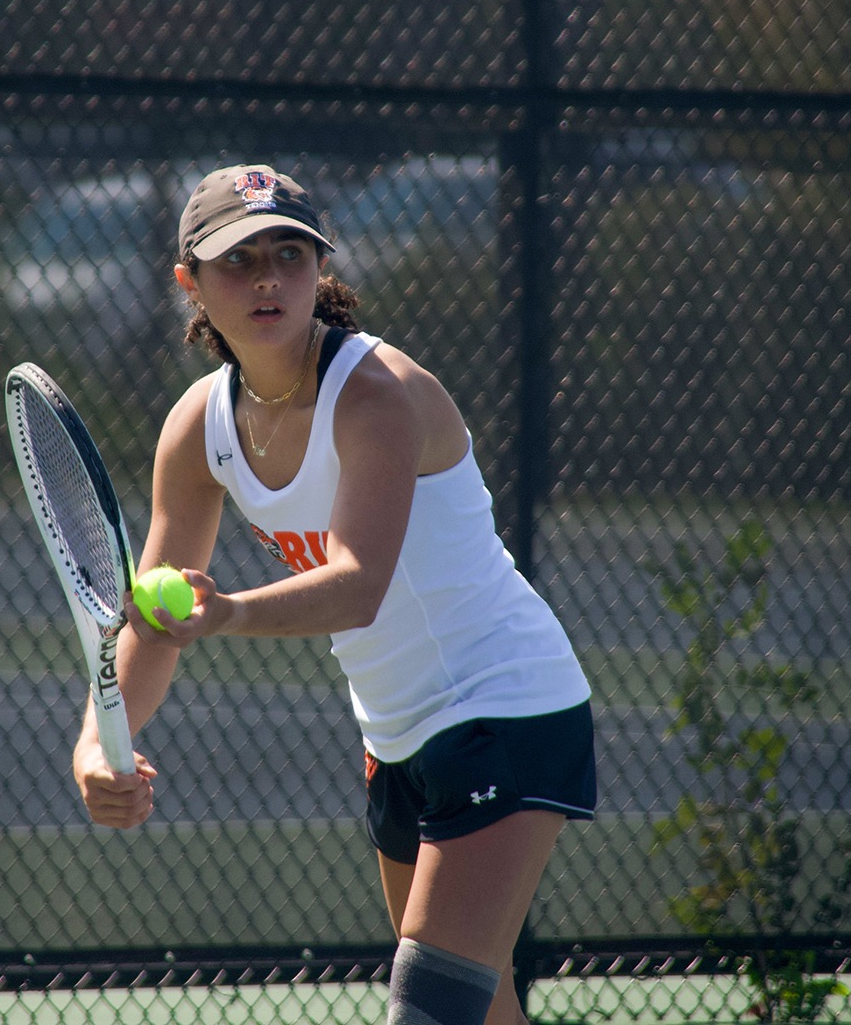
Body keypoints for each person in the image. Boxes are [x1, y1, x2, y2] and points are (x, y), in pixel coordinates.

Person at [71, 164, 596, 1025]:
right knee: (482, 1006)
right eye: (238, 260)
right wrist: (99, 745)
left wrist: (231, 610)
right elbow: (152, 628)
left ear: (322, 269)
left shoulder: (374, 394)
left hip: (507, 704)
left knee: (428, 1008)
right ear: (189, 283)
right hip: (395, 737)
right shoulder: (197, 429)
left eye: (289, 253)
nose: (268, 277)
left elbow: (358, 588)